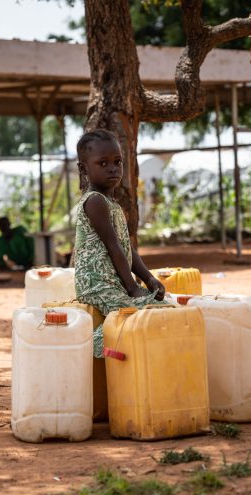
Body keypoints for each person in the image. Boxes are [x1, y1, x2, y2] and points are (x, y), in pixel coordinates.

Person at [72, 129, 166, 358]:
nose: (112, 168)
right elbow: (113, 247)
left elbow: (126, 249)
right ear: (84, 169)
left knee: (161, 308)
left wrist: (148, 278)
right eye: (102, 163)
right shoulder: (94, 202)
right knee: (135, 314)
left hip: (113, 282)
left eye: (117, 162)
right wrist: (132, 288)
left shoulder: (111, 203)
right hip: (96, 284)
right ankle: (85, 347)